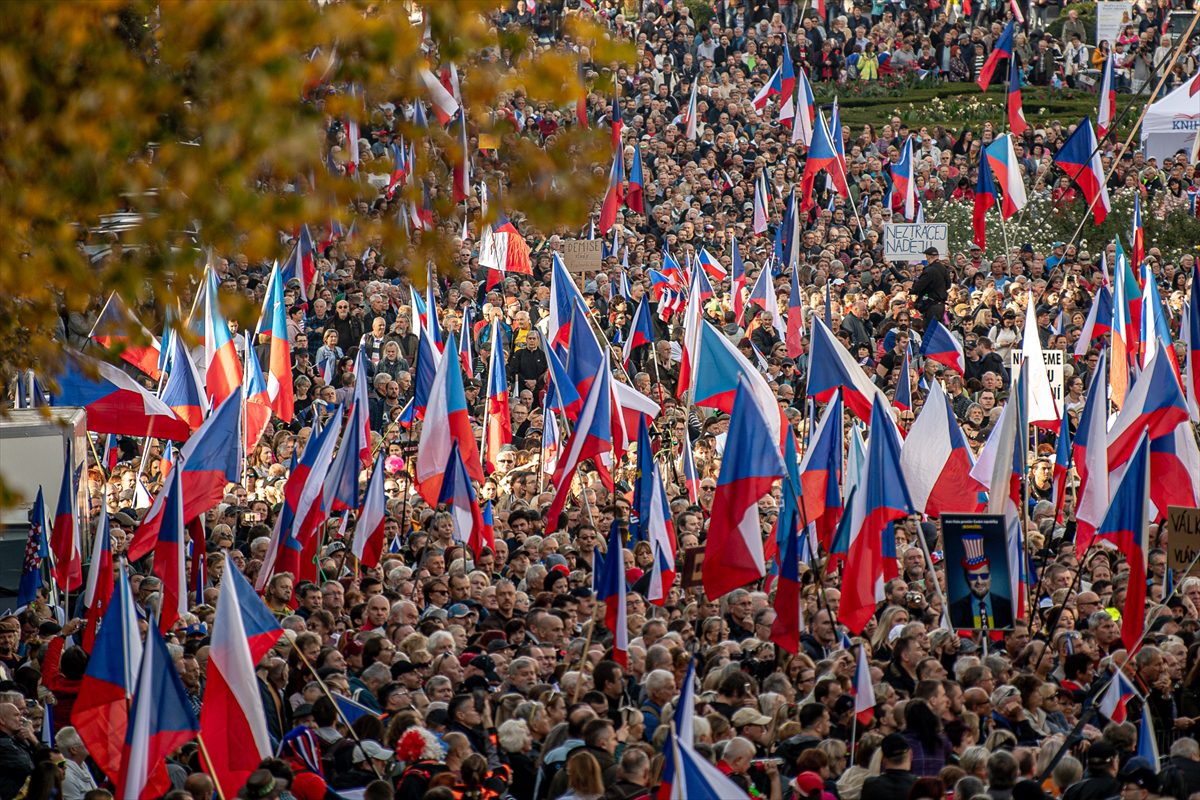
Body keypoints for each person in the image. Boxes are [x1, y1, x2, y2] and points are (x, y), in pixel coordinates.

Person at [949, 533, 1014, 630]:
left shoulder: (1007, 607)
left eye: (984, 576)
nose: (979, 581)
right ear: (966, 578)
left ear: (990, 577)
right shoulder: (954, 611)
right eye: (973, 576)